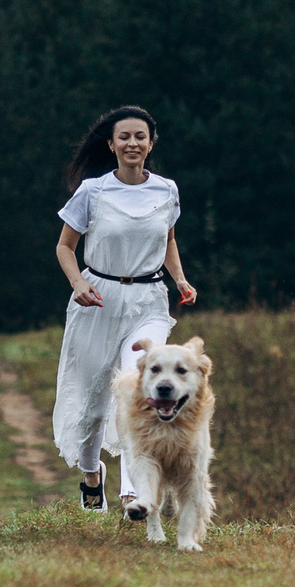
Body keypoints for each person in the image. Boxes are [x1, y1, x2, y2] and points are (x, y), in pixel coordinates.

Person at [51, 106, 197, 516]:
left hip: (148, 299)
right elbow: (65, 247)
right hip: (97, 298)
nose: (133, 144)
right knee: (93, 400)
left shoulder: (166, 190)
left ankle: (133, 492)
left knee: (138, 384)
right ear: (112, 144)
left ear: (151, 144)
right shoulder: (92, 192)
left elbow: (167, 240)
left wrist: (180, 280)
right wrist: (79, 284)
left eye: (140, 137)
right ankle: (90, 472)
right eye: (125, 137)